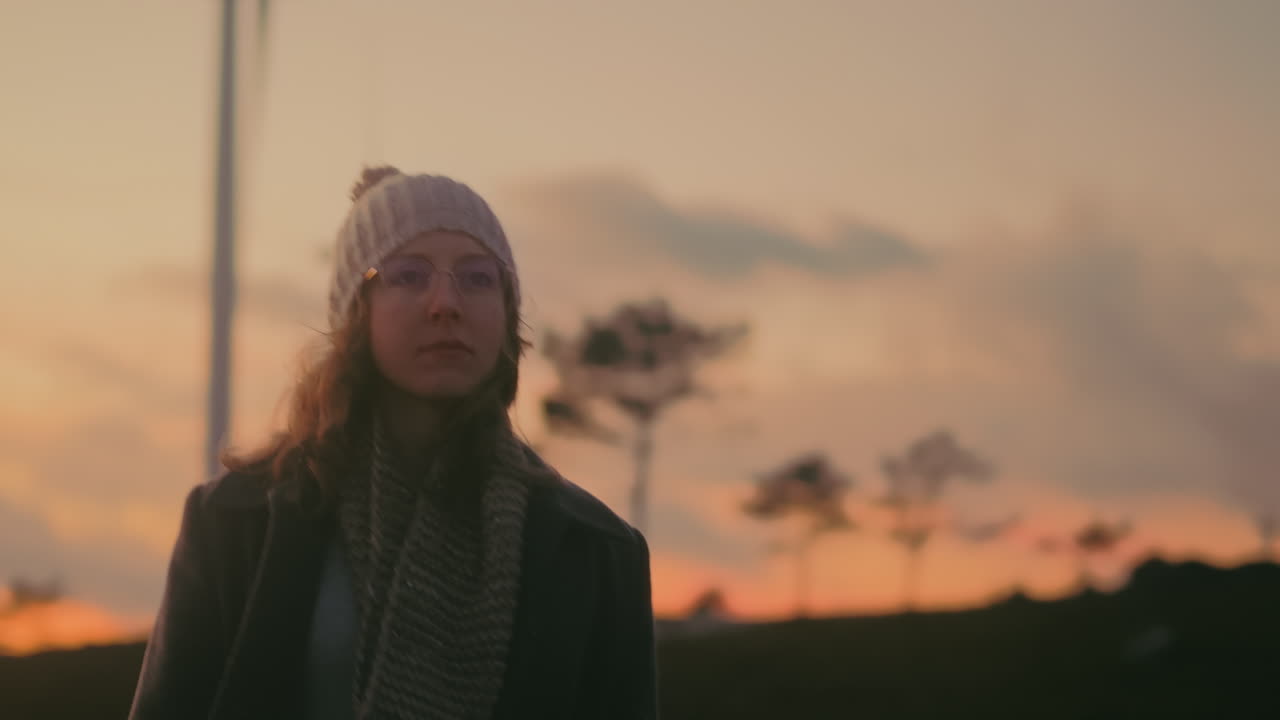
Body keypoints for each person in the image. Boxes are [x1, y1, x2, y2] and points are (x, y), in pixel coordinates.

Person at [128, 166, 658, 719]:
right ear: (357, 312)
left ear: (505, 316)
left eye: (478, 278)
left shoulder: (594, 548)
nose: (445, 303)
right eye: (408, 275)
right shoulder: (236, 523)